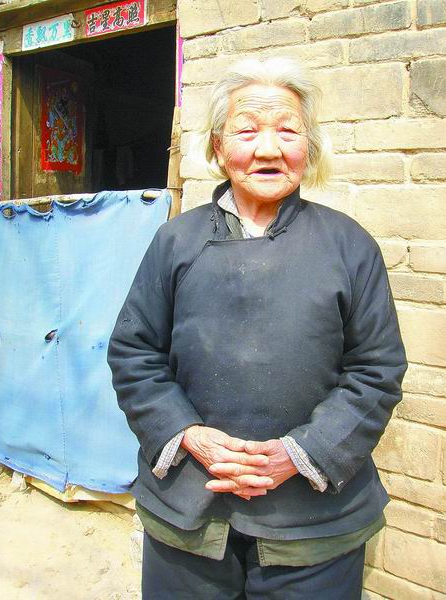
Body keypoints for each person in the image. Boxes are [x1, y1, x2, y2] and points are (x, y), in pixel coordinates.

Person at [108, 57, 407, 599]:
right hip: (188, 510)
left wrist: (298, 454)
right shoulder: (176, 242)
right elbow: (134, 352)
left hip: (314, 524)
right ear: (219, 148)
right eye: (247, 132)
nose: (268, 149)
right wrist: (189, 436)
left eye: (288, 131)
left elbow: (376, 370)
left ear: (308, 148)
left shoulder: (349, 245)